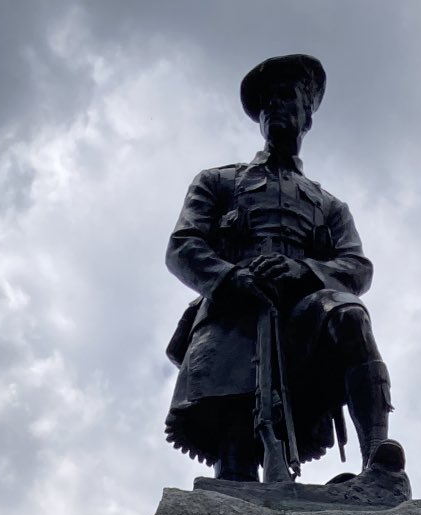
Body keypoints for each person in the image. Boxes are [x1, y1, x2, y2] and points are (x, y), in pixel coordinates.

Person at [163, 53, 400, 485]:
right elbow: (182, 246)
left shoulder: (328, 205)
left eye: (286, 98)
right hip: (235, 319)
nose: (275, 107)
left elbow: (356, 267)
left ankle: (378, 465)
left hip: (302, 318)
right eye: (267, 102)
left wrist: (304, 272)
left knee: (348, 314)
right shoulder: (220, 182)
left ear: (307, 114)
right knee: (234, 471)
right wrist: (233, 277)